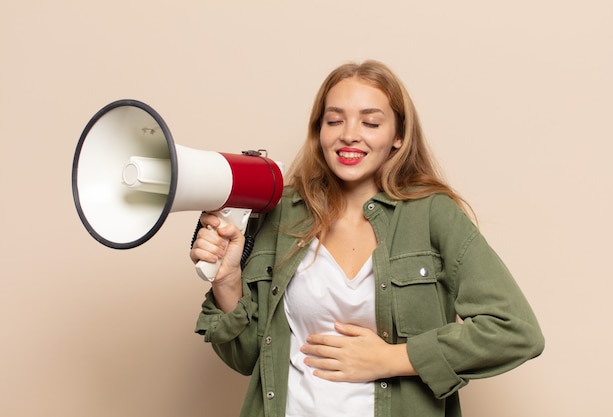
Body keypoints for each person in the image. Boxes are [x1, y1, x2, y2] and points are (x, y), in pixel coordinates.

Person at [190, 60, 544, 417]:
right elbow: (248, 357)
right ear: (319, 132)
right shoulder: (280, 212)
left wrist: (391, 358)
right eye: (334, 120)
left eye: (371, 122)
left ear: (398, 136)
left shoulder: (433, 214)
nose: (349, 134)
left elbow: (515, 332)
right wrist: (228, 282)